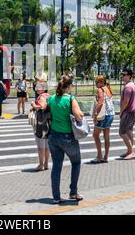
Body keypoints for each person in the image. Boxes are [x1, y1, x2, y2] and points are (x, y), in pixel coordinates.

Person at [39, 76, 84, 204]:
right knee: (76, 162)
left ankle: (56, 196)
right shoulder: (70, 99)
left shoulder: (52, 99)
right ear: (69, 87)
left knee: (57, 166)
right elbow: (79, 116)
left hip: (53, 136)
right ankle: (73, 192)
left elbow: (43, 106)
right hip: (67, 137)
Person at [91, 76, 115, 164]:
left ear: (101, 82)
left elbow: (100, 103)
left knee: (95, 135)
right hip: (110, 115)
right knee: (106, 136)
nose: (95, 84)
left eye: (96, 82)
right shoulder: (108, 89)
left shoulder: (100, 90)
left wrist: (95, 115)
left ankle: (99, 156)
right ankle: (105, 157)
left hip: (103, 115)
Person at [119, 69, 135, 160]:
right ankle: (130, 151)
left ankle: (131, 151)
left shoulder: (128, 87)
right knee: (129, 131)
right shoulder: (133, 85)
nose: (122, 76)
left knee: (122, 132)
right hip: (133, 111)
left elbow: (125, 102)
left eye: (124, 75)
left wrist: (121, 111)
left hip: (128, 112)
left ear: (129, 76)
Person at [30, 81, 50, 171]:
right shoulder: (48, 96)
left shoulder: (41, 97)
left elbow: (41, 107)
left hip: (40, 123)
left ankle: (41, 164)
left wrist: (33, 105)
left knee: (40, 145)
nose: (37, 89)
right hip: (47, 122)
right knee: (46, 146)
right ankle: (46, 164)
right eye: (37, 87)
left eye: (39, 87)